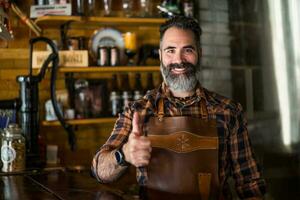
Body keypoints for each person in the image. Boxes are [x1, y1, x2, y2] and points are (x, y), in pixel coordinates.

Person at [91, 16, 266, 199]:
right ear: (160, 55)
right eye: (170, 50)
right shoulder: (138, 111)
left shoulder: (229, 111)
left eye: (187, 50)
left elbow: (250, 185)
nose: (179, 60)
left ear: (199, 52)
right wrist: (123, 154)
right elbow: (99, 171)